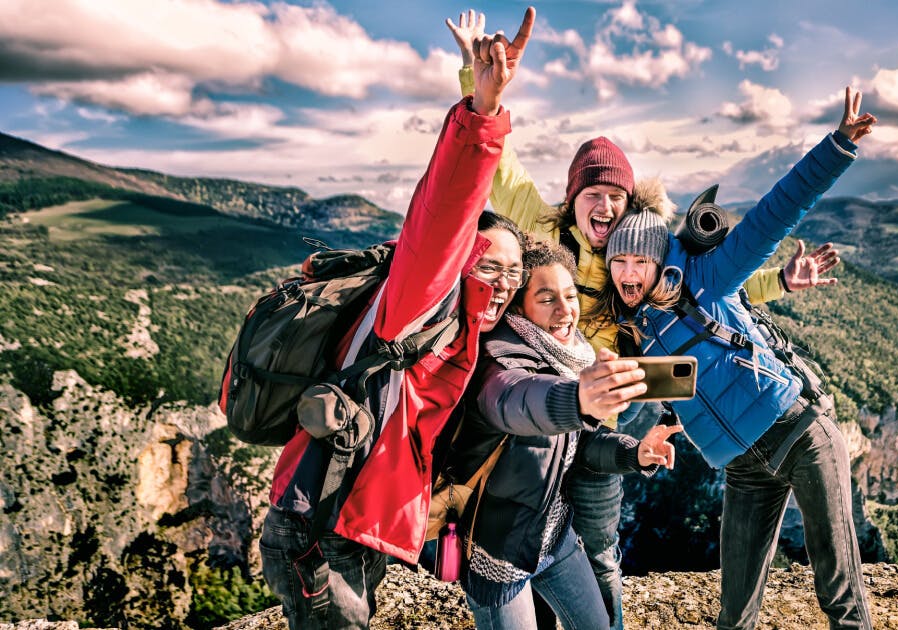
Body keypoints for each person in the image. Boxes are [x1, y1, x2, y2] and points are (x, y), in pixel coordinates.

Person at [444, 12, 840, 628]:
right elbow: (497, 163)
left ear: (630, 207)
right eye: (592, 193)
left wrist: (782, 281)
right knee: (533, 527)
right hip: (540, 399)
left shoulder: (646, 258)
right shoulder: (543, 227)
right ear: (572, 197)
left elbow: (713, 286)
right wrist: (478, 79)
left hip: (612, 405)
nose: (604, 205)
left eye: (616, 197)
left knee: (595, 543)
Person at [257, 9, 536, 628]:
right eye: (491, 265)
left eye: (514, 274)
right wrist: (483, 110)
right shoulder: (419, 300)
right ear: (460, 261)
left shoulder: (465, 332)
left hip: (351, 530)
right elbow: (443, 211)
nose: (504, 283)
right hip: (319, 534)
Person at [595, 88, 877, 630]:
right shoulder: (634, 333)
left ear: (657, 261)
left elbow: (773, 216)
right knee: (734, 612)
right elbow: (677, 398)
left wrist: (837, 147)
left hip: (799, 433)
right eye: (617, 263)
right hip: (744, 469)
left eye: (638, 260)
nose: (628, 273)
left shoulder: (709, 280)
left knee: (838, 591)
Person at [449, 240, 682, 630]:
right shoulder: (497, 360)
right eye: (546, 299)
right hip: (499, 554)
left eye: (570, 295)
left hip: (553, 533)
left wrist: (634, 453)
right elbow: (515, 400)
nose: (565, 310)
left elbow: (583, 446)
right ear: (519, 307)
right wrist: (577, 398)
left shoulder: (571, 354)